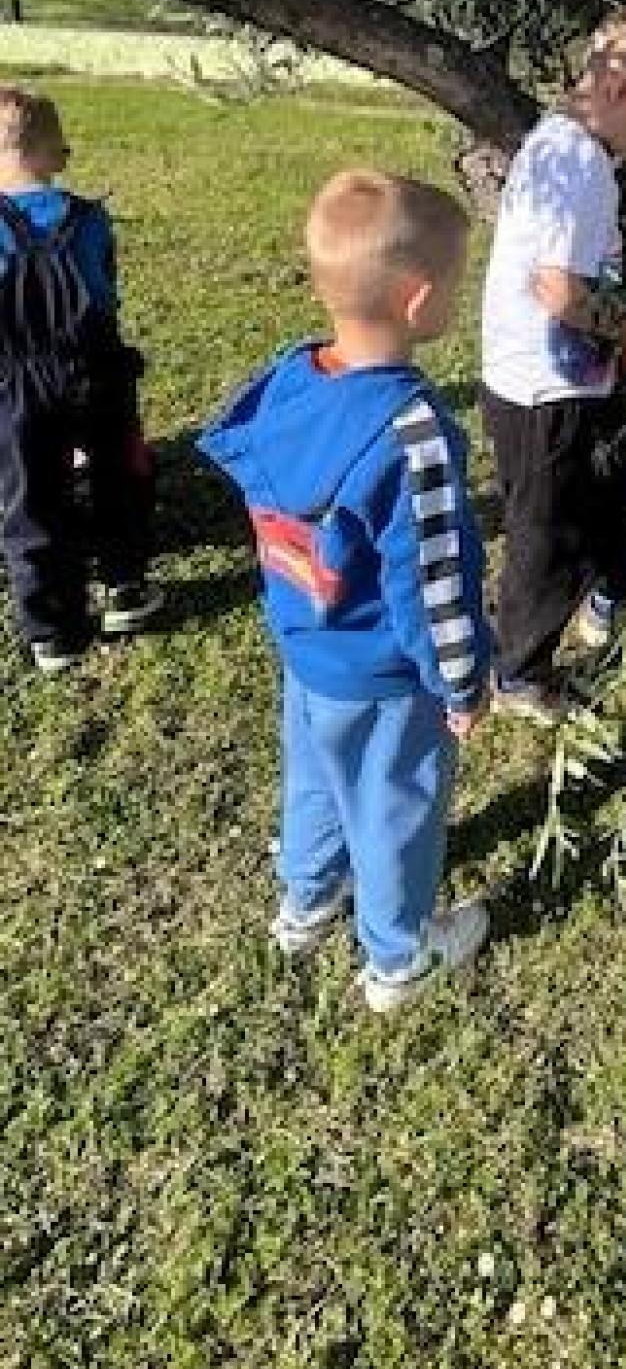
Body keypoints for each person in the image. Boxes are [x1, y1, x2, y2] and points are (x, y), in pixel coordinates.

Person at [199, 169, 492, 1014]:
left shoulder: (287, 385)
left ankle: (306, 902)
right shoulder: (415, 430)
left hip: (307, 650)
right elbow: (434, 578)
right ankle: (400, 956)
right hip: (385, 674)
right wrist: (460, 682)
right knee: (395, 805)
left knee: (316, 780)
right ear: (419, 299)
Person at [479, 9, 626, 720]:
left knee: (619, 487)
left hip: (561, 378)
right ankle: (519, 671)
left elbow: (572, 274)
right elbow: (559, 289)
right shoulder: (577, 162)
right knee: (546, 536)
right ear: (616, 86)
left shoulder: (564, 149)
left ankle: (607, 592)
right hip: (543, 391)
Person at [0, 86, 160, 671]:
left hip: (13, 382)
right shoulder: (89, 218)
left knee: (28, 498)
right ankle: (124, 588)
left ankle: (51, 628)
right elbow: (105, 294)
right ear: (52, 153)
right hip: (95, 368)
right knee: (117, 475)